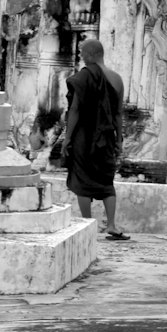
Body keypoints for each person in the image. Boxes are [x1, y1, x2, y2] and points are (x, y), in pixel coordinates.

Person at [62, 38, 129, 240]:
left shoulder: (83, 77)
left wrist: (67, 138)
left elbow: (75, 109)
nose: (81, 57)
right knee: (106, 181)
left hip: (84, 135)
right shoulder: (117, 79)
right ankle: (112, 225)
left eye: (83, 53)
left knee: (83, 179)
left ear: (91, 55)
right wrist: (118, 140)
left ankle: (87, 224)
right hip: (106, 137)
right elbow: (118, 114)